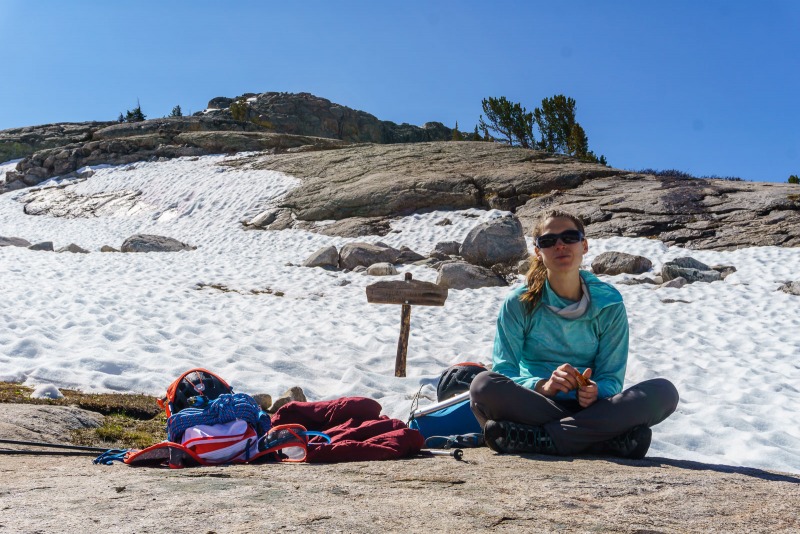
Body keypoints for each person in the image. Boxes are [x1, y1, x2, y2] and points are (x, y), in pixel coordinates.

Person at [469, 209, 679, 459]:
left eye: (569, 237)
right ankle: (599, 440)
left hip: (594, 408)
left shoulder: (608, 303)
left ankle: (541, 438)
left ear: (584, 245)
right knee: (483, 385)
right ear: (538, 251)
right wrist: (543, 386)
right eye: (548, 241)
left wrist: (594, 391)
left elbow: (611, 378)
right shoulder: (519, 302)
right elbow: (504, 371)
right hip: (536, 403)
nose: (560, 245)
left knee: (665, 392)